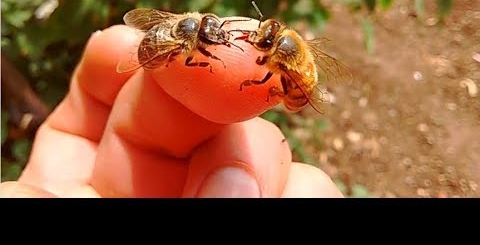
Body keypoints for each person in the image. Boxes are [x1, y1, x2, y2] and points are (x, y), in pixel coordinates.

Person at [0, 18, 343, 198]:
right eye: (212, 33)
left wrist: (251, 83)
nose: (220, 37)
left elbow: (281, 81)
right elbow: (187, 54)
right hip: (159, 51)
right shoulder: (184, 46)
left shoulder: (285, 65)